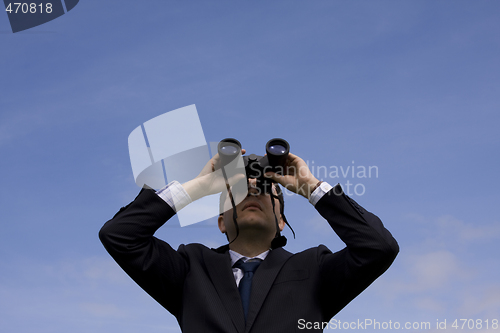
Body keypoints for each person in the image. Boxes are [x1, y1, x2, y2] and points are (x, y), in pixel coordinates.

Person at [99, 148, 399, 333]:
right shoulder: (190, 269)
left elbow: (378, 248)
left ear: (281, 222)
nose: (252, 191)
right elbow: (120, 235)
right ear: (220, 222)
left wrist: (310, 186)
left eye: (266, 189)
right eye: (239, 189)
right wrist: (200, 186)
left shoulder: (315, 269)